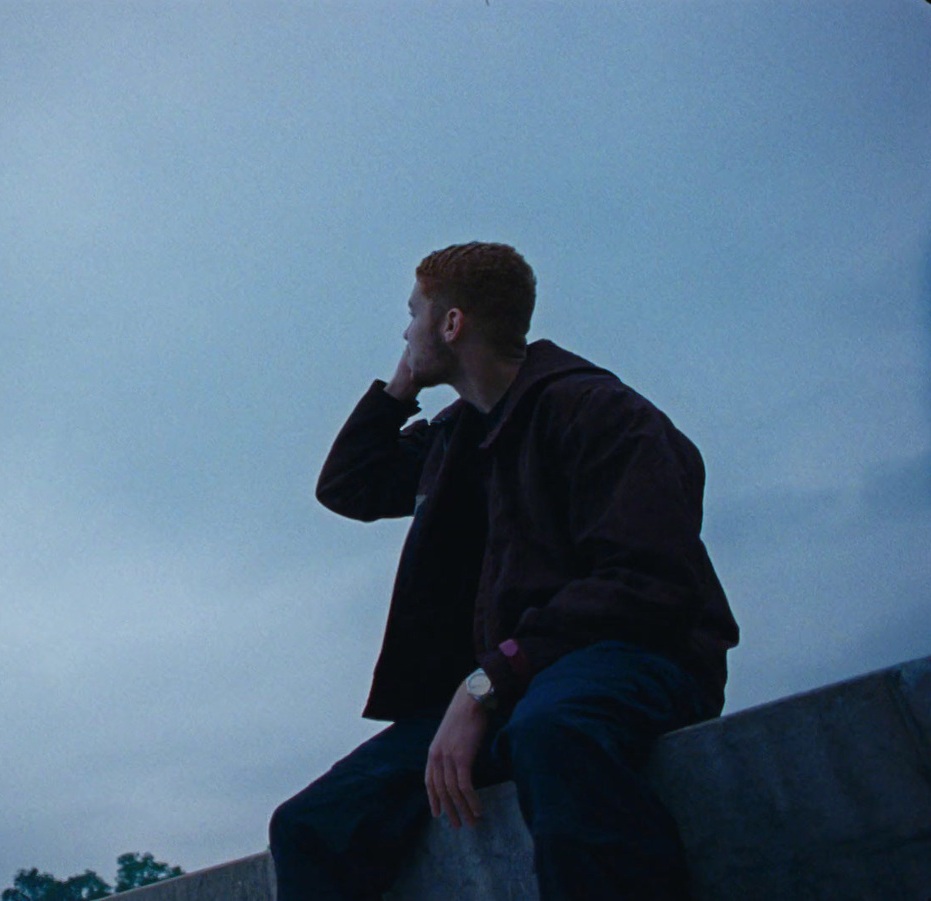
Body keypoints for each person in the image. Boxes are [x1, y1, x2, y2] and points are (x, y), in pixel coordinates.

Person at [270, 242, 739, 900]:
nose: (405, 332)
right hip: (512, 687)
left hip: (633, 663)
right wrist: (403, 383)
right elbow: (352, 484)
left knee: (554, 729)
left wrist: (490, 678)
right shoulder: (455, 438)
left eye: (414, 316)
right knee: (311, 826)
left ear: (452, 323)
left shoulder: (600, 412)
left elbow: (648, 584)